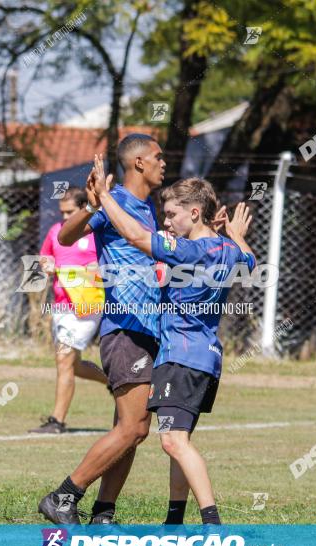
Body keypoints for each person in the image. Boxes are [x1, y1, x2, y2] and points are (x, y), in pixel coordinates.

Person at [88, 155, 255, 526]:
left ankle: (212, 524)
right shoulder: (228, 252)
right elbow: (249, 258)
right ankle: (174, 521)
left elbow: (134, 235)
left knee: (172, 442)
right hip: (208, 359)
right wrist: (237, 235)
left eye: (172, 215)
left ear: (195, 213)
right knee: (178, 442)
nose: (166, 222)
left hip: (180, 356)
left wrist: (104, 196)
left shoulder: (190, 251)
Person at [36, 134, 166, 525]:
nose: (164, 163)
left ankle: (104, 512)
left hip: (146, 329)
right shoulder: (118, 202)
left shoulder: (145, 207)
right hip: (124, 330)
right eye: (158, 157)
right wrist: (92, 205)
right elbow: (66, 236)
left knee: (133, 428)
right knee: (133, 426)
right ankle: (63, 496)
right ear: (139, 162)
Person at [29, 188, 108, 434]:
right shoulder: (57, 231)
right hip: (62, 305)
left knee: (64, 360)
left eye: (70, 212)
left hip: (87, 306)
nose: (65, 218)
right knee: (73, 364)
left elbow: (109, 263)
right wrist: (46, 265)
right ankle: (115, 382)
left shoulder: (97, 232)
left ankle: (57, 421)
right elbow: (43, 258)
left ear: (85, 208)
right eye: (62, 213)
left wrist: (96, 268)